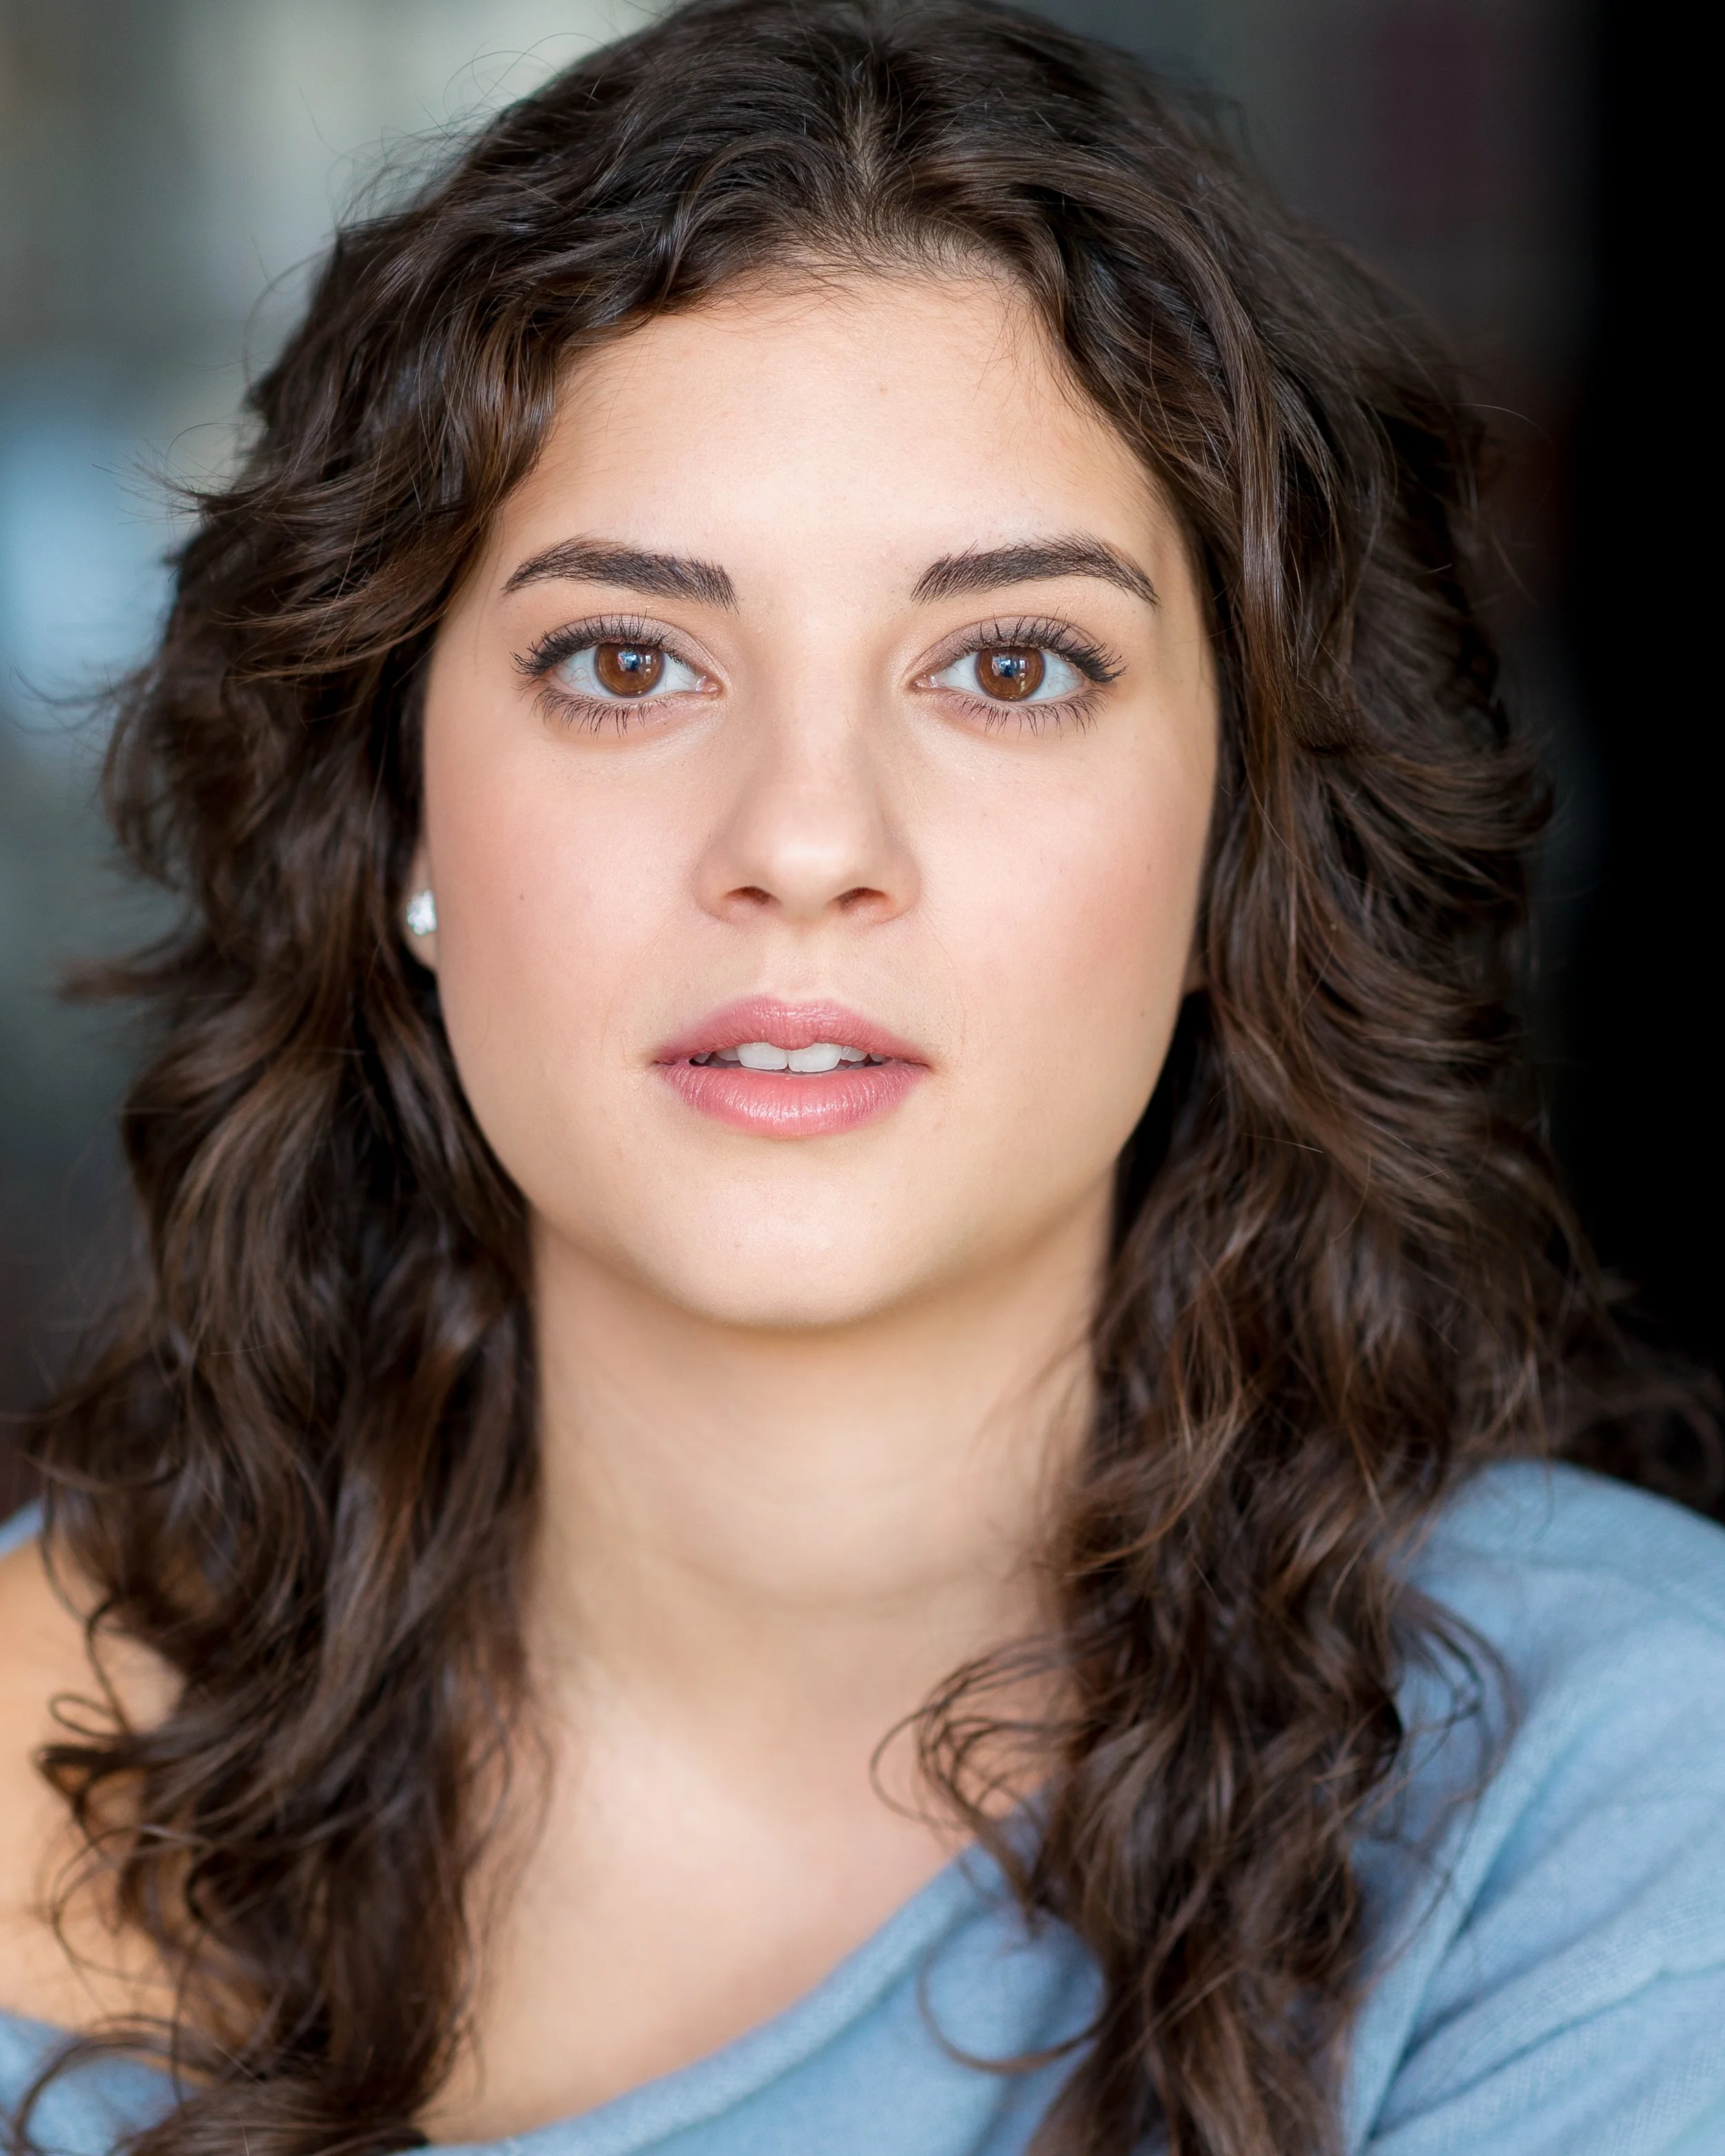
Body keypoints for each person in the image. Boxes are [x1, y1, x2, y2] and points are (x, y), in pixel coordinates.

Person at [3, 3, 1723, 2150]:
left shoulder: (1616, 1793)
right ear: (405, 819)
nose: (806, 840)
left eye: (1009, 665)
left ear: (1235, 843)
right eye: (625, 660)